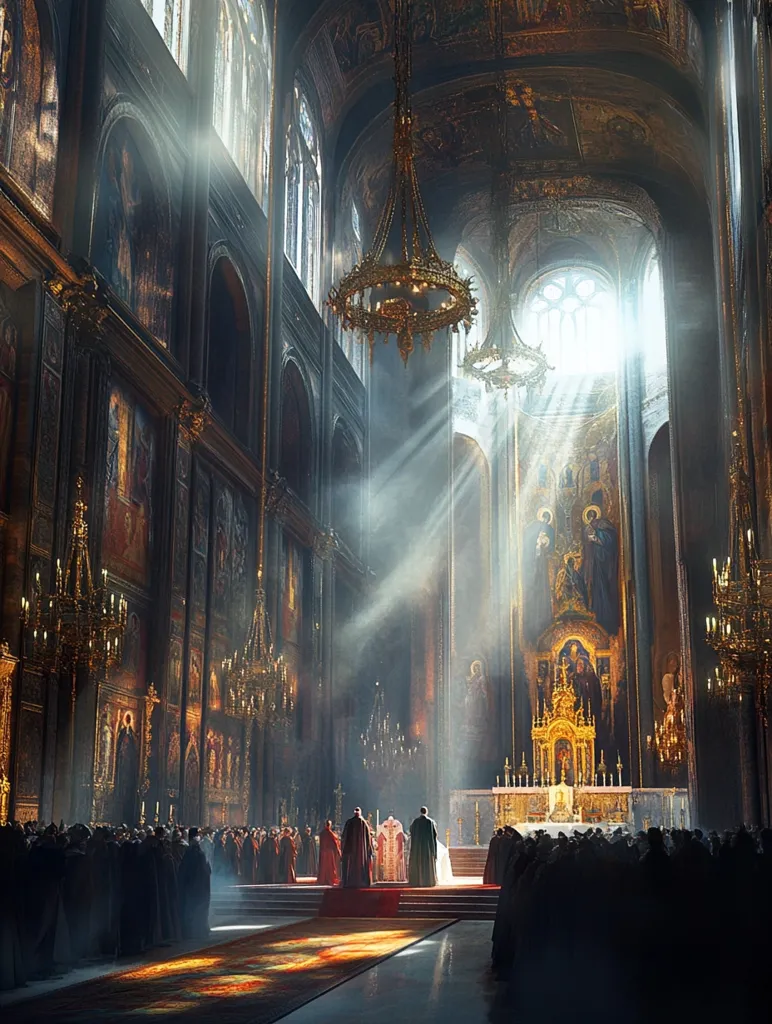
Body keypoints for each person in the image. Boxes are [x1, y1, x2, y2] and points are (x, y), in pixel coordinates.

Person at [177, 828, 211, 940]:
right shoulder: (191, 852)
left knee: (197, 909)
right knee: (193, 909)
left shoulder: (197, 851)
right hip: (194, 886)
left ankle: (198, 930)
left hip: (199, 885)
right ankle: (193, 931)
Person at [340, 807, 374, 887]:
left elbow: (344, 837)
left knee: (351, 865)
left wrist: (344, 848)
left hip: (350, 851)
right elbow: (368, 838)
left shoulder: (349, 822)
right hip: (362, 853)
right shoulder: (364, 823)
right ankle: (362, 880)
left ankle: (350, 881)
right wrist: (370, 850)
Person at [408, 807, 438, 887]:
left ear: (420, 812)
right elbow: (434, 835)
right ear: (426, 812)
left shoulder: (415, 822)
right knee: (427, 864)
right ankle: (428, 881)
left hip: (417, 848)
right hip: (427, 848)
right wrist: (434, 851)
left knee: (418, 863)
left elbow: (411, 832)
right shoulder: (430, 822)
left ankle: (417, 881)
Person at [317, 820, 341, 886]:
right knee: (330, 867)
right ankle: (329, 879)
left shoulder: (322, 833)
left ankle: (322, 879)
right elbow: (335, 841)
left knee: (323, 866)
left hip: (323, 852)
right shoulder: (330, 833)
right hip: (329, 852)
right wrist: (338, 850)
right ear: (329, 825)